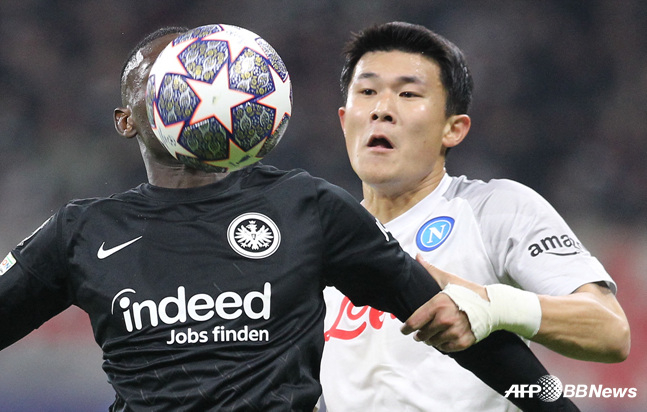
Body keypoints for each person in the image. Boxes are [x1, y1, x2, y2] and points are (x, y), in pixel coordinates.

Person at [0, 25, 575, 412]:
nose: (200, 82)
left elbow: (454, 326)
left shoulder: (307, 206)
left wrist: (556, 405)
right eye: (168, 74)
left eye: (204, 63)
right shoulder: (83, 232)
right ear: (128, 119)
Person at [320, 21, 631, 411]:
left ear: (453, 128)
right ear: (344, 120)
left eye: (408, 93)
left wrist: (491, 305)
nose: (381, 110)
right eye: (367, 92)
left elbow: (611, 331)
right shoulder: (321, 248)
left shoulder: (495, 209)